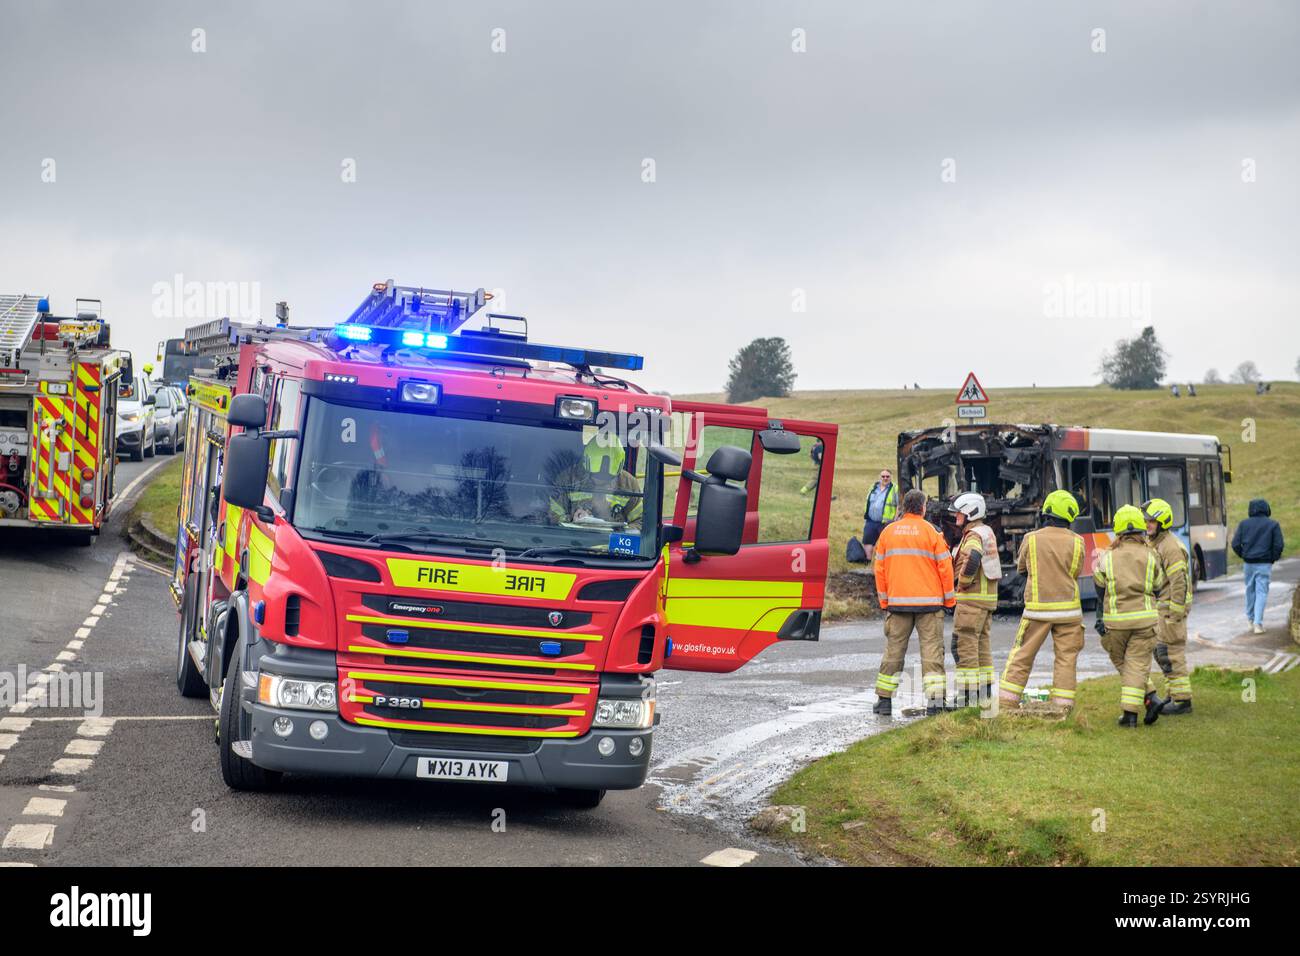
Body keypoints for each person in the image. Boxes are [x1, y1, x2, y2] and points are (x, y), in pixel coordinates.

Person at [871, 489, 956, 716]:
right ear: (923, 507)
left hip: (897, 605)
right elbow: (945, 569)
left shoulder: (888, 533)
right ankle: (936, 703)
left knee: (893, 652)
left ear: (905, 507)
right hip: (929, 606)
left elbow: (879, 570)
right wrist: (949, 601)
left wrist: (885, 601)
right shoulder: (932, 532)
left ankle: (884, 702)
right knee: (932, 653)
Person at [999, 490, 1085, 711]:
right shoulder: (1078, 542)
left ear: (1047, 512)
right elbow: (1075, 572)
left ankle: (1007, 703)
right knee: (1066, 659)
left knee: (1022, 655)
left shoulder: (1031, 539)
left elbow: (1022, 568)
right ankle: (1063, 706)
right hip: (1069, 610)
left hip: (1038, 609)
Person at [1094, 505, 1167, 728]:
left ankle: (1131, 715)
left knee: (1122, 661)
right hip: (1145, 621)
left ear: (1117, 529)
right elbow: (1158, 585)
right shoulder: (1151, 555)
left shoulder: (1107, 557)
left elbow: (1099, 586)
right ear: (1141, 528)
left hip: (1116, 622)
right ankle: (1149, 698)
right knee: (1136, 664)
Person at [949, 492, 1000, 705]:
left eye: (959, 514)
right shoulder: (986, 531)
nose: (956, 518)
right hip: (986, 601)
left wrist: (962, 582)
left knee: (963, 645)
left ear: (970, 512)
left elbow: (973, 558)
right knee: (981, 646)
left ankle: (967, 697)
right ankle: (985, 692)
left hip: (971, 601)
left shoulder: (973, 536)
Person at [1143, 498, 1193, 714]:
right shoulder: (1157, 543)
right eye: (1146, 521)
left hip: (1171, 610)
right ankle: (1174, 695)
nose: (1147, 525)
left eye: (1151, 522)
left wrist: (1175, 613)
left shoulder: (1170, 546)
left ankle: (1182, 701)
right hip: (1162, 609)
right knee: (1162, 653)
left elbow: (1179, 582)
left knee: (1170, 653)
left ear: (1163, 523)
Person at [548, 435, 643, 529]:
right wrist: (572, 519)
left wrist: (620, 532)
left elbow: (641, 521)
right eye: (595, 478)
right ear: (586, 464)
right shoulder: (568, 479)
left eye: (608, 480)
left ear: (619, 469)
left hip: (613, 543)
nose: (600, 484)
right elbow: (553, 516)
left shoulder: (629, 484)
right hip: (574, 540)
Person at [1232, 499, 1284, 634]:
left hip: (1248, 563)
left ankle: (1250, 619)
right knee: (1261, 592)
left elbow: (1235, 544)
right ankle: (1258, 624)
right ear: (1267, 509)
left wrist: (1244, 555)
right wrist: (1272, 558)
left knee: (1250, 590)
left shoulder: (1244, 524)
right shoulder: (1273, 524)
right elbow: (1279, 545)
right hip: (1264, 563)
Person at [861, 468, 898, 562]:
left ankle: (884, 562)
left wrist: (895, 519)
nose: (885, 478)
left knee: (886, 544)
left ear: (891, 478)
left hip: (886, 522)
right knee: (867, 540)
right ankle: (868, 560)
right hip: (871, 520)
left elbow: (899, 505)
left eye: (887, 476)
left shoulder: (895, 489)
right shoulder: (873, 487)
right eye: (883, 476)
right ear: (879, 477)